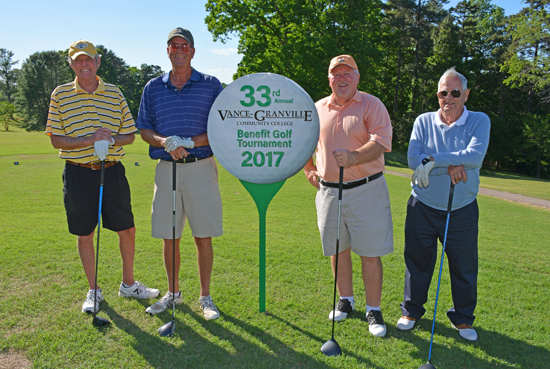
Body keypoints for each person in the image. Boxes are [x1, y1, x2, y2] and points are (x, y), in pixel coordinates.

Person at [45, 40, 159, 314]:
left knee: (127, 229)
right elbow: (56, 140)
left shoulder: (115, 93)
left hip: (112, 169)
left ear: (98, 62)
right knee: (85, 232)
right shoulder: (60, 95)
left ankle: (129, 284)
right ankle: (94, 290)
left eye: (89, 60)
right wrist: (88, 140)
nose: (84, 65)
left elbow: (129, 135)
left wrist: (108, 140)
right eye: (78, 60)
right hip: (78, 172)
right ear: (71, 64)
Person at [396, 67, 491, 341]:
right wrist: (451, 163)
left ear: (466, 95)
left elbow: (474, 157)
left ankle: (463, 318)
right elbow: (414, 160)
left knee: (463, 265)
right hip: (422, 205)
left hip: (461, 208)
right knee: (417, 262)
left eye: (455, 92)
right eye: (442, 92)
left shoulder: (479, 120)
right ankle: (411, 311)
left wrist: (435, 161)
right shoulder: (423, 121)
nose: (448, 97)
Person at [303, 55, 394, 337]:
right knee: (337, 249)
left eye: (347, 74)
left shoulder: (371, 104)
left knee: (369, 253)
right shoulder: (317, 108)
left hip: (368, 190)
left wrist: (354, 156)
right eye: (336, 74)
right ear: (329, 79)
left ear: (357, 77)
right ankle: (345, 300)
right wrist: (308, 168)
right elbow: (305, 143)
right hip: (329, 191)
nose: (341, 79)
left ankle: (373, 309)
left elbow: (381, 142)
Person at [137, 28, 223, 320]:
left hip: (201, 167)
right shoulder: (153, 87)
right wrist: (165, 143)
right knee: (169, 236)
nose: (179, 49)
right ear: (168, 51)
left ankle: (206, 297)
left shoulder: (211, 85)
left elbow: (221, 127)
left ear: (193, 51)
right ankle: (173, 293)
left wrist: (189, 142)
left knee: (203, 236)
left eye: (184, 45)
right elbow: (145, 129)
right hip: (166, 170)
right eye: (174, 45)